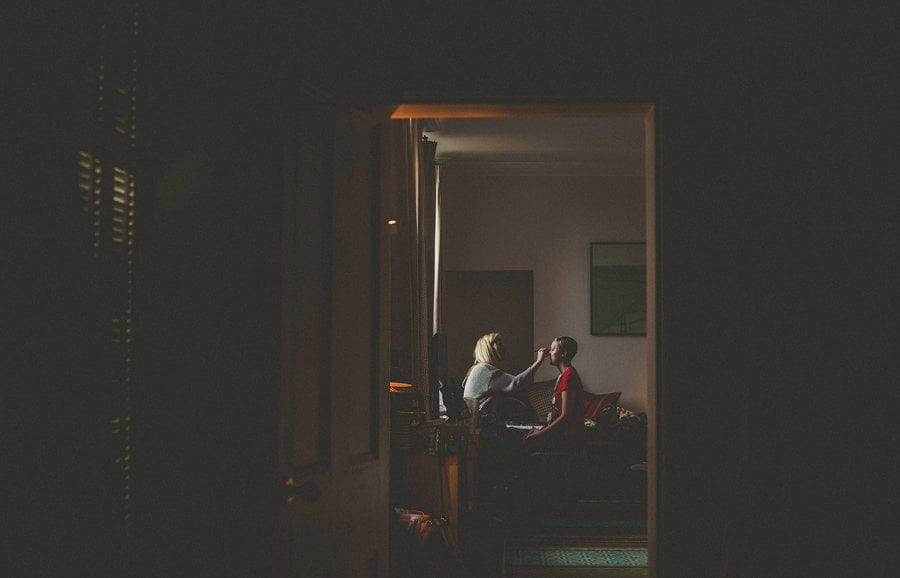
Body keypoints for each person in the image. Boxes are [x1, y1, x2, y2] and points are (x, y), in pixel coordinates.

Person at [461, 332, 549, 430]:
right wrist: (539, 362)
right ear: (489, 348)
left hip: (474, 427)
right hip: (480, 429)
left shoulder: (476, 368)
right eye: (500, 344)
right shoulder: (486, 370)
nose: (505, 347)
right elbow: (516, 383)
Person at [524, 336, 586, 450]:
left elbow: (566, 416)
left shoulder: (569, 377)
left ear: (563, 353)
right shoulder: (564, 376)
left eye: (553, 349)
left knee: (525, 443)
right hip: (562, 433)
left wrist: (541, 433)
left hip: (569, 436)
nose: (549, 352)